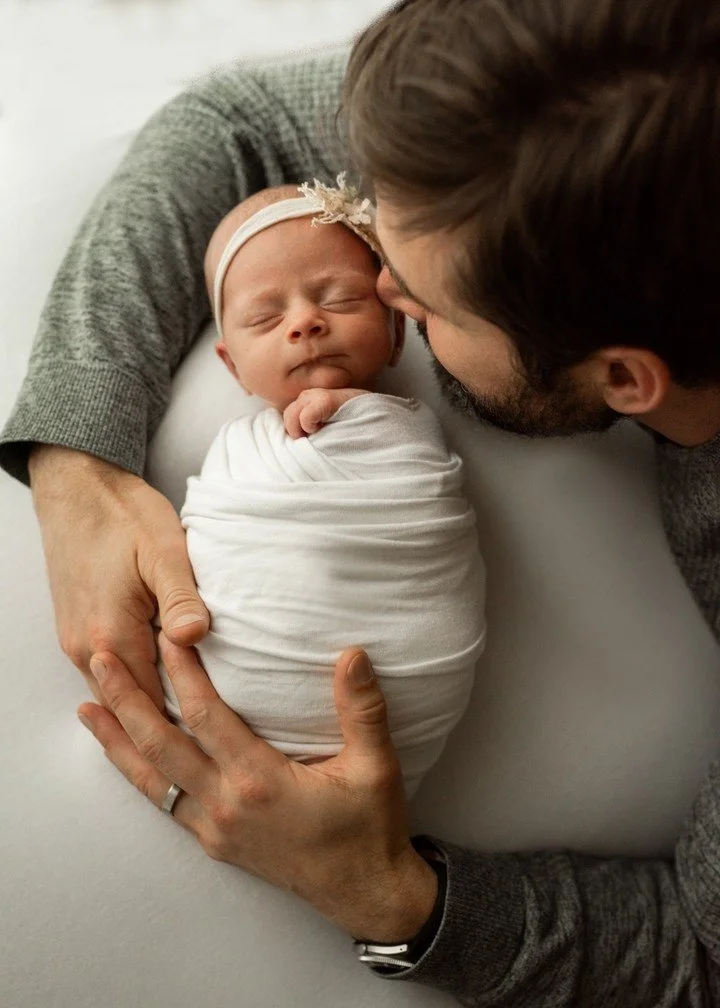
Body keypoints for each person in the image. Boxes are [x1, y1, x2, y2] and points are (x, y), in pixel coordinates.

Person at [3, 0, 720, 1003]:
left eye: (421, 307)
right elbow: (235, 123)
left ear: (628, 380)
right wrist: (76, 459)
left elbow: (704, 951)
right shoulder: (602, 78)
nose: (377, 291)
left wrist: (394, 898)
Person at [160, 178, 485, 797]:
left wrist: (353, 410)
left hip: (396, 709)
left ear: (395, 330)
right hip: (223, 725)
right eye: (266, 316)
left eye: (338, 299)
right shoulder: (237, 451)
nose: (306, 322)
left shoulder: (404, 431)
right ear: (231, 365)